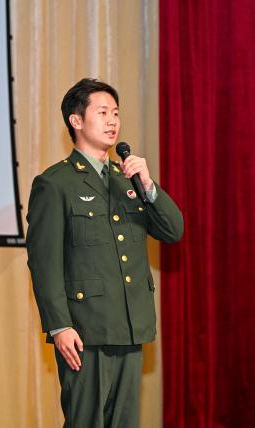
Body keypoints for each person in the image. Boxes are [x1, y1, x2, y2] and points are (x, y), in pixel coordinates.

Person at [26, 78, 184, 428]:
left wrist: (148, 185)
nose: (113, 121)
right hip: (85, 330)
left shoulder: (127, 180)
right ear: (76, 120)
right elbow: (44, 262)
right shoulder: (56, 183)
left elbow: (173, 231)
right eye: (102, 113)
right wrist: (60, 326)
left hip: (129, 325)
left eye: (115, 113)